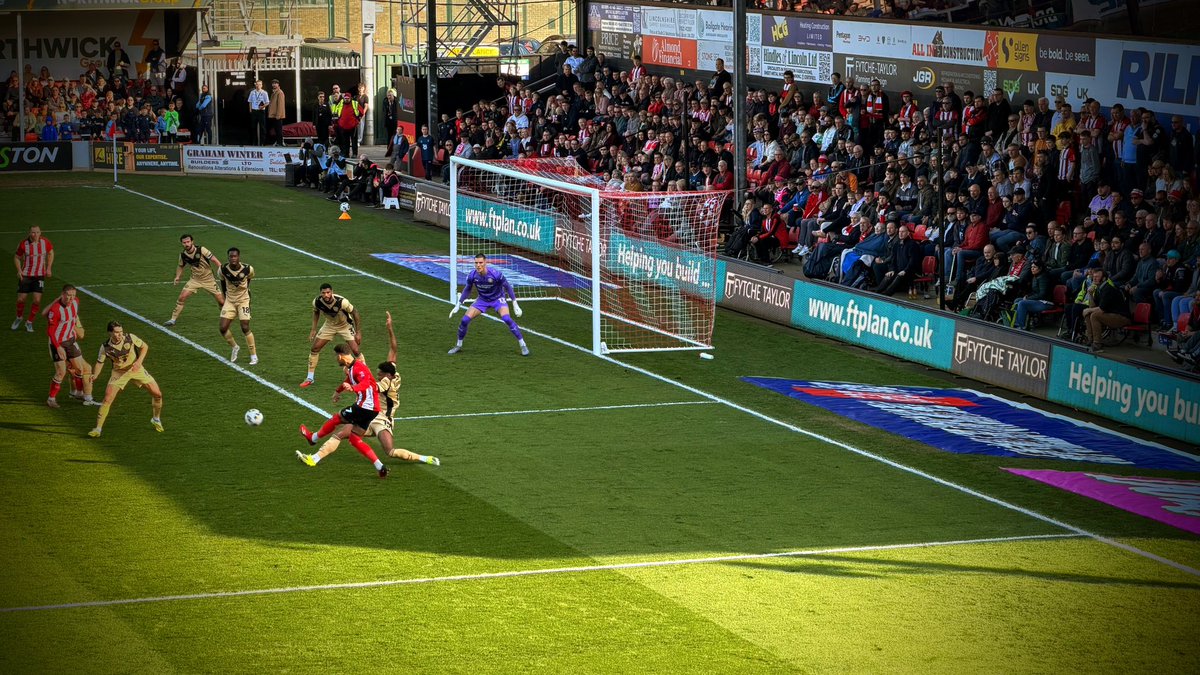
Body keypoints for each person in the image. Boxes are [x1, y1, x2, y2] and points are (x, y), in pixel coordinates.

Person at [298, 311, 440, 467]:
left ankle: (424, 458)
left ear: (386, 375)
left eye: (380, 373)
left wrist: (355, 378)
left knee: (390, 451)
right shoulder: (392, 371)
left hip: (381, 420)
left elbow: (370, 386)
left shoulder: (386, 384)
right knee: (341, 433)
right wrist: (390, 328)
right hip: (368, 414)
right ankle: (315, 458)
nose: (377, 374)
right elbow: (393, 349)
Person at [296, 343, 390, 478]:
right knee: (355, 439)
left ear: (340, 356)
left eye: (336, 357)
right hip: (372, 409)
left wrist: (353, 388)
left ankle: (313, 438)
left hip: (365, 406)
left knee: (338, 417)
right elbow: (349, 379)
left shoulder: (359, 368)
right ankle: (380, 467)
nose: (336, 359)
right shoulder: (352, 368)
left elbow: (365, 383)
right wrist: (338, 391)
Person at [87, 320, 164, 438]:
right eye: (117, 332)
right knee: (107, 399)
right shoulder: (105, 347)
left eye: (121, 332)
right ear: (110, 333)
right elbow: (99, 362)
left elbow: (145, 347)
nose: (120, 335)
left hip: (135, 369)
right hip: (119, 373)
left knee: (157, 394)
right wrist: (95, 375)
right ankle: (98, 429)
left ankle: (156, 418)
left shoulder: (130, 337)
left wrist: (138, 362)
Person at [448, 253, 528, 356]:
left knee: (507, 319)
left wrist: (515, 304)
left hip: (498, 299)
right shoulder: (472, 275)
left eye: (480, 263)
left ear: (485, 263)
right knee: (464, 320)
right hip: (482, 300)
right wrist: (458, 304)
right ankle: (458, 345)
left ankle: (523, 345)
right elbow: (467, 289)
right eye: (476, 263)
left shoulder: (496, 274)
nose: (478, 265)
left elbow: (507, 287)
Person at [42, 284, 99, 408]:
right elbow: (50, 331)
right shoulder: (56, 309)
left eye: (73, 295)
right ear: (62, 295)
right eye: (68, 295)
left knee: (80, 369)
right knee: (61, 372)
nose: (71, 298)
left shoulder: (75, 302)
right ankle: (51, 399)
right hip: (58, 343)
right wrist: (58, 347)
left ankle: (78, 393)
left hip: (71, 341)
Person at [302, 283, 362, 388]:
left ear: (332, 292)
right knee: (315, 348)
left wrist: (358, 332)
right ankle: (310, 378)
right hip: (329, 325)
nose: (326, 295)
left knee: (356, 350)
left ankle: (364, 375)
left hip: (345, 325)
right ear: (320, 293)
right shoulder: (317, 302)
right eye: (323, 293)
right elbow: (316, 312)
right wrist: (313, 329)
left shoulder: (342, 302)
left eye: (328, 292)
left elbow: (355, 313)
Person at [166, 234, 224, 326]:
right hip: (195, 280)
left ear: (192, 242)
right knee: (182, 297)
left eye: (188, 242)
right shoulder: (183, 255)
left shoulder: (201, 250)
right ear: (182, 243)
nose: (186, 244)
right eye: (184, 242)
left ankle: (225, 317)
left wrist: (222, 269)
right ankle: (172, 320)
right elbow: (180, 266)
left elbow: (214, 260)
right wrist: (177, 276)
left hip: (209, 280)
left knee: (221, 301)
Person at [218, 247, 257, 365]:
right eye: (231, 256)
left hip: (243, 300)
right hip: (230, 301)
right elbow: (223, 282)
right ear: (228, 257)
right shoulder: (222, 269)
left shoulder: (248, 269)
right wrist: (225, 298)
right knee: (223, 328)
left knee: (245, 327)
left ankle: (253, 356)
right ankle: (235, 347)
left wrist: (246, 292)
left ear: (239, 257)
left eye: (235, 256)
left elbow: (249, 279)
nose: (233, 258)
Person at [14, 225, 53, 332]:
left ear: (40, 233)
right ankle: (19, 317)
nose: (35, 235)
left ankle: (29, 322)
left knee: (37, 300)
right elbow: (17, 257)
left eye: (37, 232)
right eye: (33, 232)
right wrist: (19, 270)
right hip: (26, 275)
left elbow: (51, 253)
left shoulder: (45, 242)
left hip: (39, 275)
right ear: (29, 233)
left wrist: (49, 268)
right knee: (21, 299)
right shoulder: (24, 244)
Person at [1083, 266, 1131, 353]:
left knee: (1095, 315)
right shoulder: (1098, 289)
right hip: (1110, 315)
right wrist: (1090, 294)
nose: (1094, 278)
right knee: (1088, 313)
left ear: (1104, 278)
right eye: (1093, 277)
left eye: (1097, 277)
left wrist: (1089, 310)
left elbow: (1101, 309)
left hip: (1122, 317)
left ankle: (1097, 344)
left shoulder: (1108, 289)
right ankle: (1090, 340)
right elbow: (1093, 307)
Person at [247, 79, 269, 145]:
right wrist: (250, 110)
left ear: (261, 85)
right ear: (255, 85)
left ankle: (262, 143)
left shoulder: (264, 93)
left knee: (262, 128)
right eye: (257, 84)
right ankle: (254, 142)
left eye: (259, 84)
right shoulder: (252, 92)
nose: (258, 86)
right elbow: (250, 101)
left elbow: (267, 102)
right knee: (253, 127)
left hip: (261, 111)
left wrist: (262, 107)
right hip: (254, 111)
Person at [267, 79, 286, 146]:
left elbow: (280, 105)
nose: (274, 84)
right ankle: (278, 142)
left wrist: (278, 115)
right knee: (276, 130)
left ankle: (280, 143)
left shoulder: (280, 92)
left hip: (277, 116)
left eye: (275, 83)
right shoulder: (274, 92)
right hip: (274, 115)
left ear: (278, 84)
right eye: (273, 83)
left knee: (279, 130)